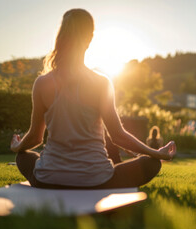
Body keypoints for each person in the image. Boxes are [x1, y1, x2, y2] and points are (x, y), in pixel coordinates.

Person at [10, 9, 176, 189]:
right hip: (97, 181)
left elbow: (35, 138)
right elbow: (118, 136)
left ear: (61, 35)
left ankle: (50, 175)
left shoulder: (42, 83)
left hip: (47, 180)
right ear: (89, 39)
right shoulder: (101, 82)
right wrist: (156, 153)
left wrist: (17, 146)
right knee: (151, 163)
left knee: (23, 157)